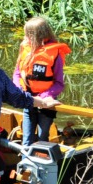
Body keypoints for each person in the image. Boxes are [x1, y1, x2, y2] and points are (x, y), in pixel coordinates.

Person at [13, 16, 71, 145]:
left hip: (46, 104)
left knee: (42, 137)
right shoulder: (25, 48)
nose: (25, 38)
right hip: (28, 100)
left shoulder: (54, 54)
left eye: (28, 35)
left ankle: (41, 162)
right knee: (27, 140)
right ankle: (26, 162)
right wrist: (21, 91)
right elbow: (17, 74)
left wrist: (44, 97)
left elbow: (59, 84)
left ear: (36, 36)